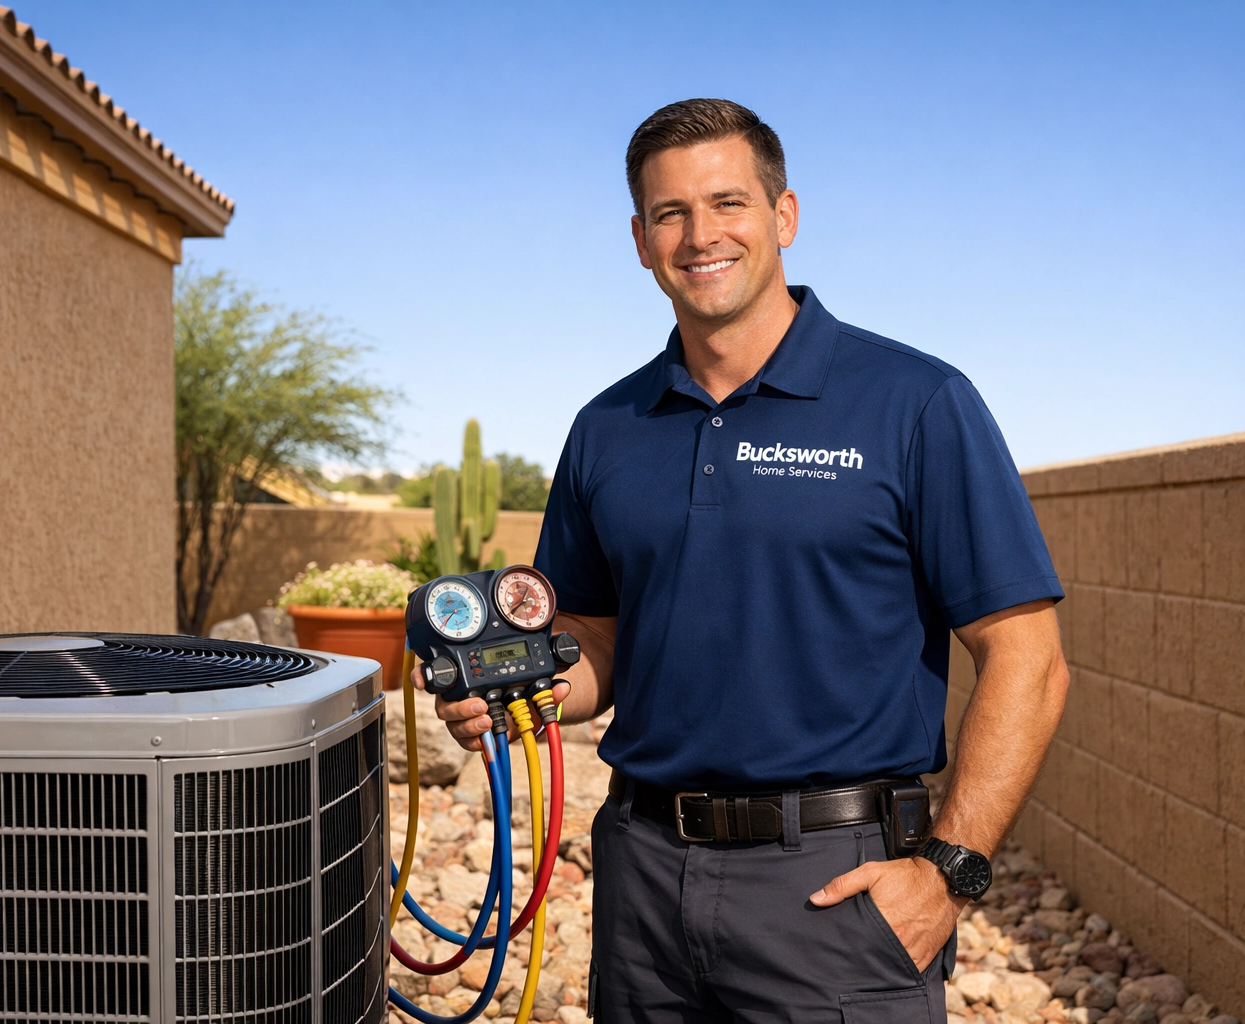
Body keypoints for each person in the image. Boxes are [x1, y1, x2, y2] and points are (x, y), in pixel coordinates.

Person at [432, 98, 1069, 1022]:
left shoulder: (916, 402)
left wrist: (949, 874)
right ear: (642, 240)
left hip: (834, 887)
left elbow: (1029, 659)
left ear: (784, 216)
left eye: (727, 203)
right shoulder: (607, 427)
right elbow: (597, 644)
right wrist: (511, 695)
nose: (701, 236)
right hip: (642, 882)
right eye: (670, 214)